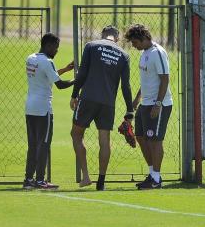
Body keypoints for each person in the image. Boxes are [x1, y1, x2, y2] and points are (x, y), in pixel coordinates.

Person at [70, 25, 134, 191]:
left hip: (88, 98)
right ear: (117, 38)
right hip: (108, 103)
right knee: (104, 140)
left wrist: (74, 94)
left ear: (102, 35)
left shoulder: (91, 46)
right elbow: (125, 86)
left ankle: (85, 176)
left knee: (76, 134)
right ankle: (101, 182)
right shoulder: (124, 55)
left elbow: (82, 73)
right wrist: (129, 109)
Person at [23, 32, 74, 190]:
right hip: (43, 109)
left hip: (30, 107)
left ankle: (28, 180)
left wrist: (65, 69)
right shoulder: (47, 61)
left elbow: (45, 75)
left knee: (32, 145)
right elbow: (60, 85)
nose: (57, 50)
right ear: (49, 46)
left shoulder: (31, 58)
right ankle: (40, 181)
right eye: (56, 47)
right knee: (43, 144)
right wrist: (78, 80)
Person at [124, 24, 172, 190]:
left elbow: (165, 79)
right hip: (145, 103)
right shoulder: (145, 53)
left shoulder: (157, 53)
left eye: (134, 42)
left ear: (142, 39)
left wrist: (158, 103)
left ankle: (157, 179)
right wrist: (137, 99)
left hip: (158, 104)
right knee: (141, 137)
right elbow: (147, 80)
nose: (133, 46)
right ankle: (152, 174)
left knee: (154, 140)